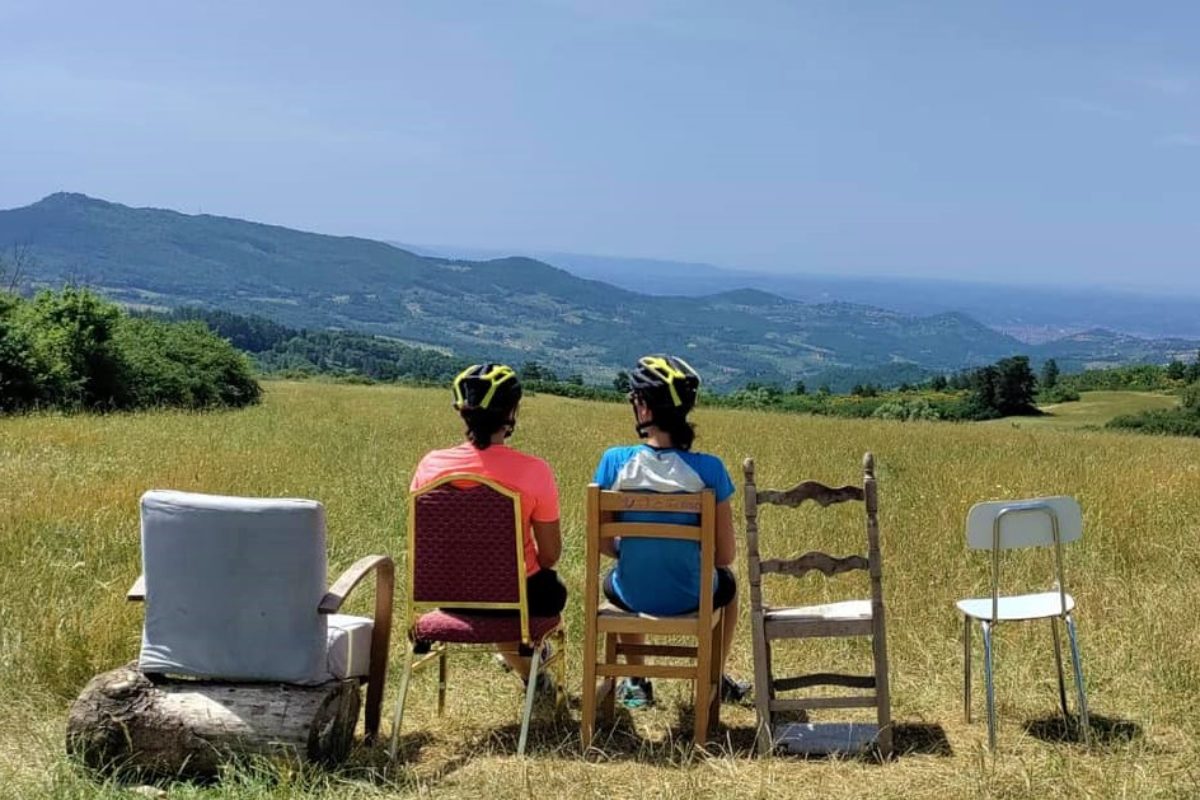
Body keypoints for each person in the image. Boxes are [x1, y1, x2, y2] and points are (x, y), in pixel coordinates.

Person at [592, 354, 750, 707]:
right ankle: (712, 676)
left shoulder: (613, 462)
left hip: (631, 594)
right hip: (693, 595)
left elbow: (604, 543)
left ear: (643, 408)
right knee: (730, 586)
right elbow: (724, 556)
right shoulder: (709, 469)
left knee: (616, 582)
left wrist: (635, 552)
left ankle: (636, 681)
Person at [410, 363, 566, 683]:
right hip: (517, 600)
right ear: (511, 411)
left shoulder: (430, 466)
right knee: (546, 589)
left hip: (448, 593)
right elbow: (550, 556)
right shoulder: (535, 471)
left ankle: (532, 670)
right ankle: (534, 667)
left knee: (499, 590)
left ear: (462, 412)